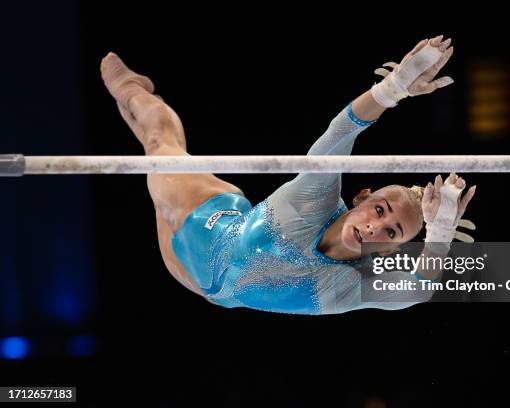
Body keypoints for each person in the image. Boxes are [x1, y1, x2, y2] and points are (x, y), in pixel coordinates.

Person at [99, 35, 476, 315]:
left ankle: (135, 107)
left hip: (195, 280)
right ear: (362, 197)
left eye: (392, 232)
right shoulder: (316, 196)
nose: (377, 228)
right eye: (380, 210)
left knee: (155, 157)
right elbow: (340, 133)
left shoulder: (350, 285)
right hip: (205, 222)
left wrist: (439, 236)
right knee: (160, 147)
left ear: (391, 250)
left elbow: (419, 289)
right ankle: (132, 90)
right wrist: (392, 89)